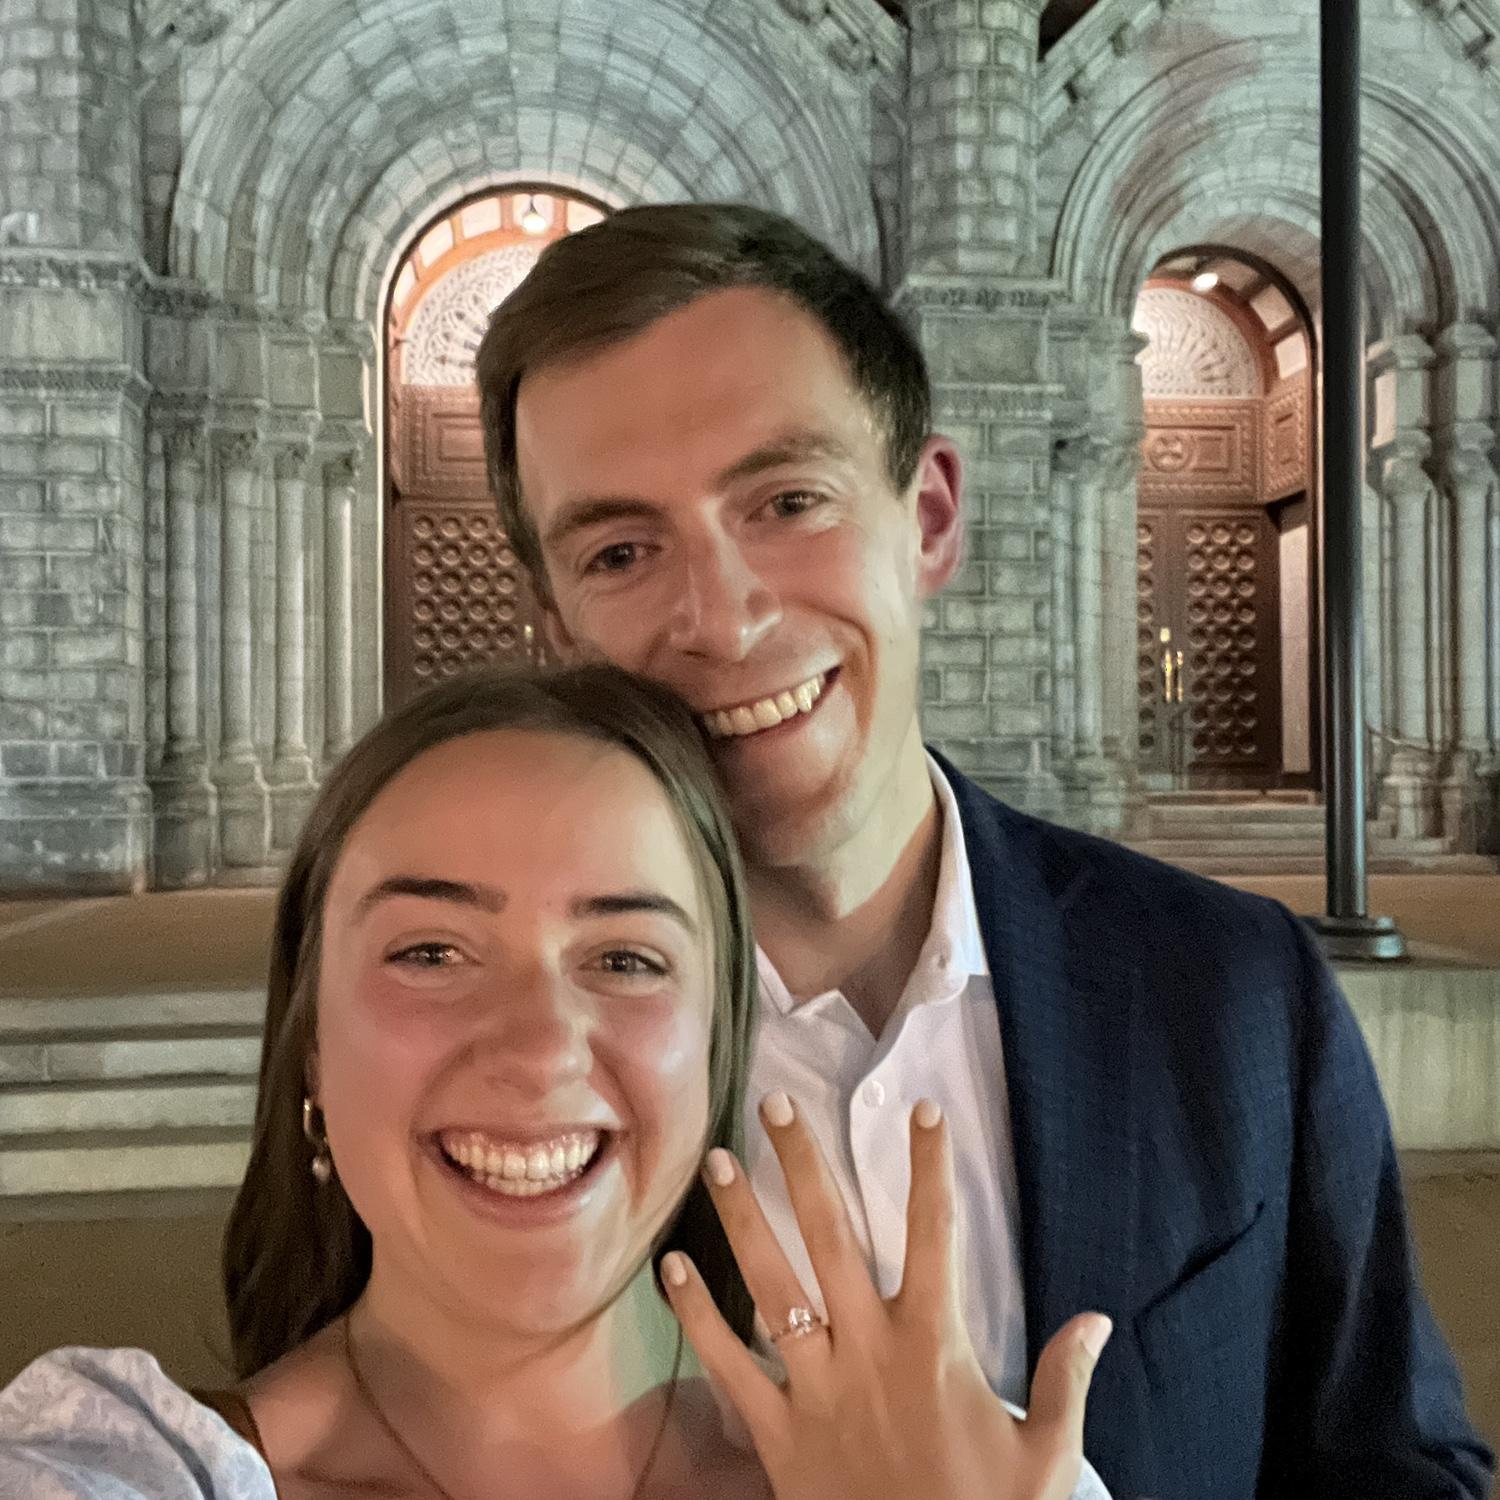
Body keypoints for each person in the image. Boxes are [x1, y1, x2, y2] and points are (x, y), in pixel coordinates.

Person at [474, 203, 1495, 1499]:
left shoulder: (1237, 994)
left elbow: (1400, 1475)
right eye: (621, 550)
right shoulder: (485, 1080)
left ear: (932, 518)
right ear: (554, 626)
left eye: (788, 499)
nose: (722, 620)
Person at [0, 666, 1111, 1500]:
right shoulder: (120, 1469)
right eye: (429, 952)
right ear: (309, 1051)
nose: (537, 1049)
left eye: (626, 959)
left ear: (720, 1046)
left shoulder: (970, 1467)